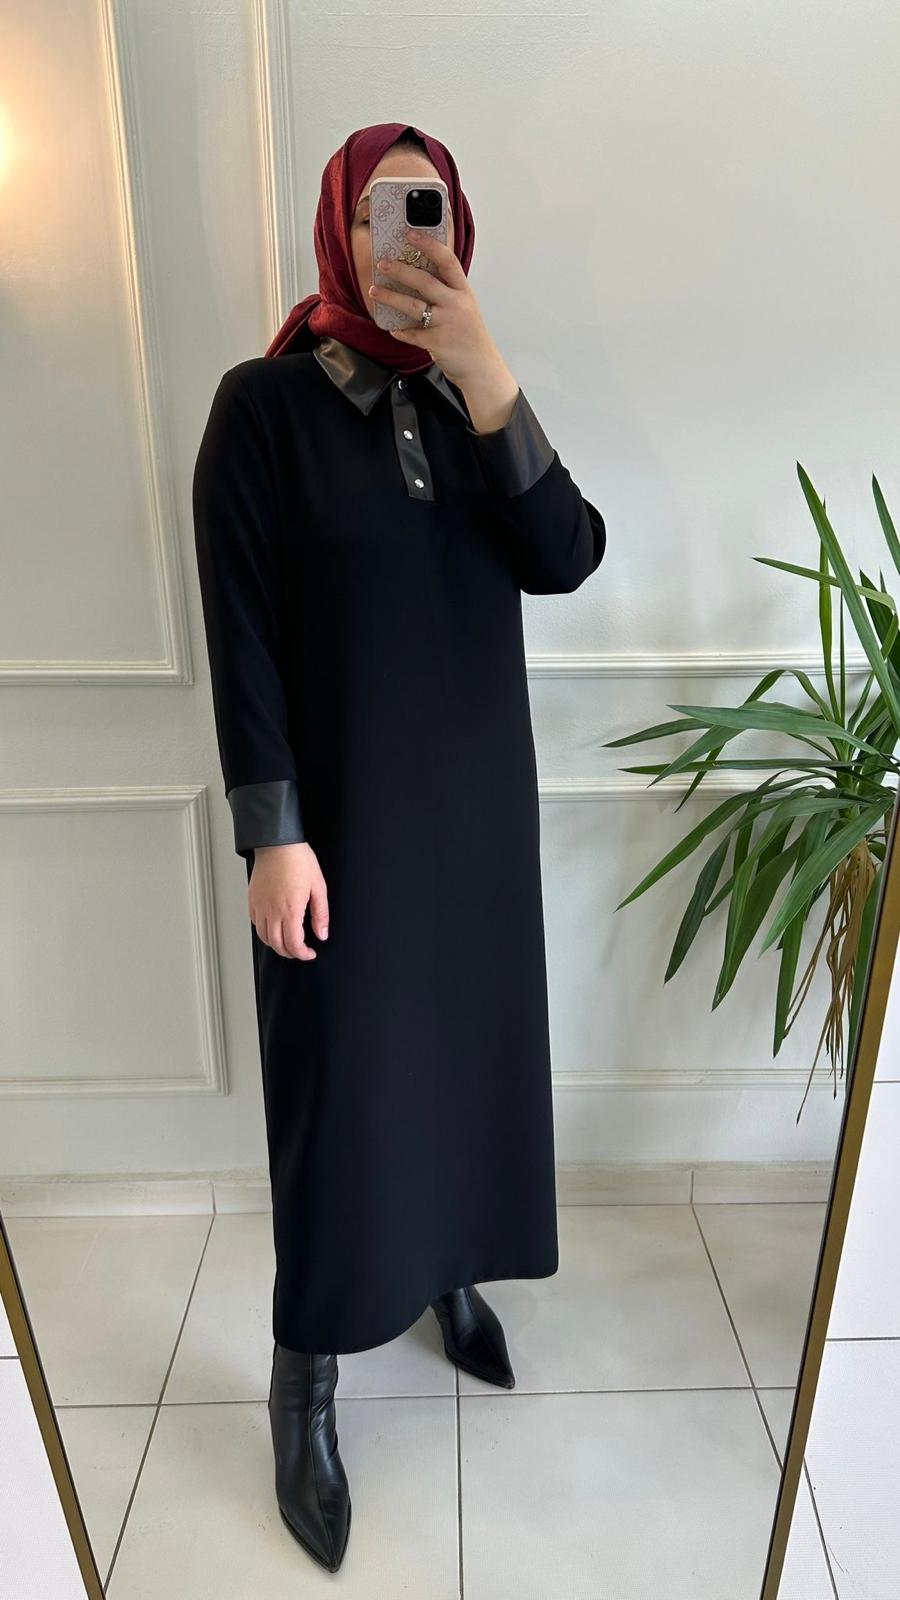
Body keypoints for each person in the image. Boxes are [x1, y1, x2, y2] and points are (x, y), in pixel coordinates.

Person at [192, 120, 607, 1573]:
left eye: (427, 212)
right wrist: (274, 834)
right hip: (343, 836)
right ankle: (306, 1374)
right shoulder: (262, 405)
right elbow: (239, 625)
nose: (405, 237)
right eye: (380, 210)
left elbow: (567, 554)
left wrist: (486, 372)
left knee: (467, 1072)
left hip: (474, 825)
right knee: (339, 1094)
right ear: (336, 225)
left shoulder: (476, 406)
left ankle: (450, 1276)